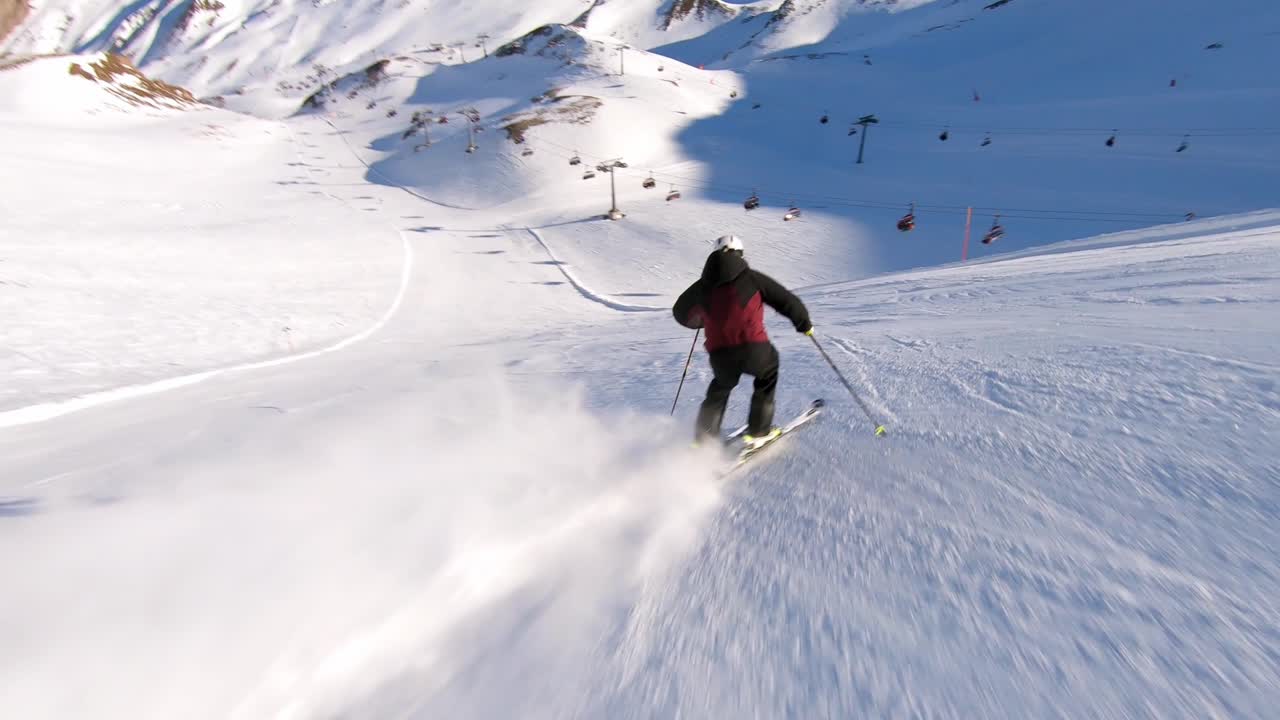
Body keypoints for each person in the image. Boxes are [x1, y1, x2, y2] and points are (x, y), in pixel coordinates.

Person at [673, 235, 813, 448]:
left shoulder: (702, 286)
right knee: (768, 372)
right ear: (740, 254)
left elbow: (680, 312)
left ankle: (704, 440)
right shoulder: (752, 278)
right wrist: (804, 324)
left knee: (720, 386)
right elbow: (786, 300)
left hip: (720, 353)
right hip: (753, 347)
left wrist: (700, 321)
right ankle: (759, 431)